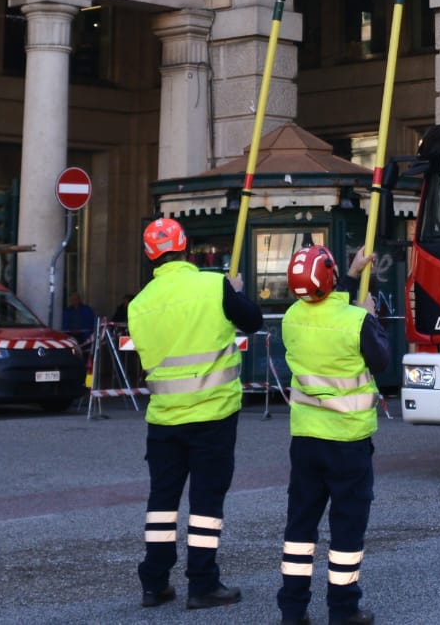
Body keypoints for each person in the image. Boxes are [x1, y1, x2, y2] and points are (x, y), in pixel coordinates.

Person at [128, 217, 262, 610]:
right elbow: (252, 322)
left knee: (162, 501)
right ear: (186, 247)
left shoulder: (139, 305)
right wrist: (235, 291)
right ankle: (202, 584)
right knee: (206, 503)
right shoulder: (213, 285)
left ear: (150, 256)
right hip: (213, 414)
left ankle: (154, 583)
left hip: (164, 418)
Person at [277, 244, 386, 625]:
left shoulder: (291, 318)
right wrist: (371, 316)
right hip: (348, 442)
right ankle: (343, 609)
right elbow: (381, 359)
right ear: (331, 276)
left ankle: (292, 610)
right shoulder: (356, 321)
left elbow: (324, 309)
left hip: (306, 440)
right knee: (346, 529)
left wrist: (353, 276)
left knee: (300, 526)